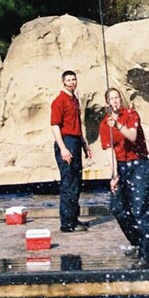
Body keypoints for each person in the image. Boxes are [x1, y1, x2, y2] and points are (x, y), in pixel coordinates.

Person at [99, 88, 149, 265]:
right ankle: (137, 241)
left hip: (139, 165)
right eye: (111, 99)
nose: (114, 101)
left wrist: (118, 125)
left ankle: (146, 255)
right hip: (121, 166)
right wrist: (114, 175)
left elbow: (132, 136)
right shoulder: (104, 124)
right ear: (107, 103)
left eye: (117, 98)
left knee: (139, 209)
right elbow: (110, 151)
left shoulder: (131, 114)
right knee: (117, 208)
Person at [50, 70, 92, 233]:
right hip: (65, 141)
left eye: (74, 79)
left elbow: (77, 126)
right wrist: (63, 148)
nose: (72, 82)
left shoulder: (74, 100)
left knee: (76, 182)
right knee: (68, 183)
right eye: (68, 80)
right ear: (63, 82)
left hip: (75, 141)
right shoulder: (59, 101)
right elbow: (55, 125)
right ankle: (67, 223)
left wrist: (84, 145)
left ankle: (73, 218)